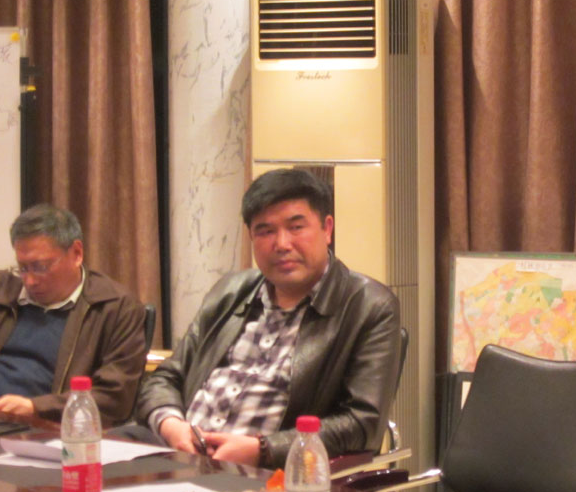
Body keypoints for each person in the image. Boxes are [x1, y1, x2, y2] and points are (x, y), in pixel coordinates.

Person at [134, 168, 402, 470]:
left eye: (296, 227)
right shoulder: (230, 291)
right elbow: (166, 377)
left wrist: (263, 450)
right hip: (178, 456)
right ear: (251, 236)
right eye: (265, 231)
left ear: (327, 229)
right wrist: (170, 424)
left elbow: (362, 423)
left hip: (267, 476)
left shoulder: (368, 306)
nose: (282, 244)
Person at [0, 204, 148, 425]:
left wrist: (37, 408)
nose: (30, 280)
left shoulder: (115, 308)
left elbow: (115, 397)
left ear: (77, 253)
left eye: (40, 267)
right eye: (23, 268)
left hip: (48, 430)